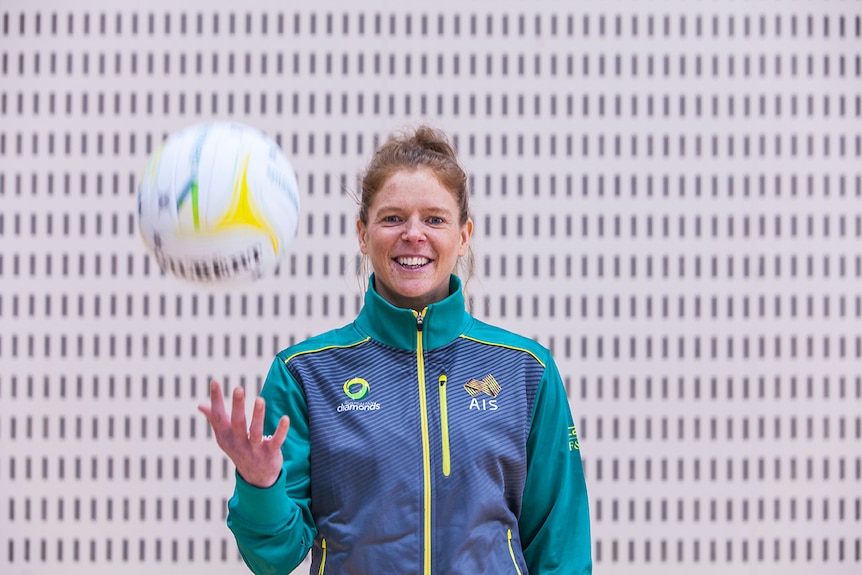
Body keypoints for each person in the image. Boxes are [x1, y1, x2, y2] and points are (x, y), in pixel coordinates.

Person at [199, 125, 592, 574]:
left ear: (464, 236)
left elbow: (561, 547)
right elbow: (273, 557)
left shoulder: (526, 371)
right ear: (363, 235)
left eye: (435, 219)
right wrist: (260, 485)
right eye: (392, 218)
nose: (413, 234)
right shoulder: (304, 373)